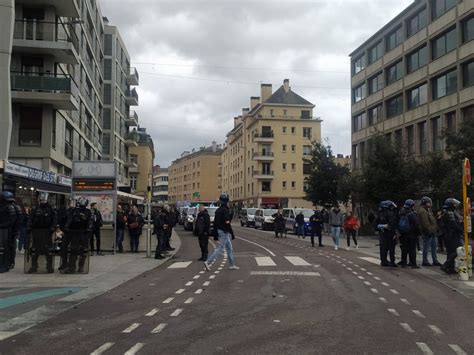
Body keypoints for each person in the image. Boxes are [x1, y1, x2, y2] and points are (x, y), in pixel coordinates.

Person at [204, 193, 239, 271]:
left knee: (229, 248)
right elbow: (227, 222)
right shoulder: (225, 210)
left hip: (220, 230)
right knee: (220, 248)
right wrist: (232, 233)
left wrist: (215, 233)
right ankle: (208, 262)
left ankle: (232, 264)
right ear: (226, 201)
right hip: (224, 231)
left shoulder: (218, 210)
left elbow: (215, 223)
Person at [26, 192, 56, 273]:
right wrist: (28, 227)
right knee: (35, 250)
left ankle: (49, 267)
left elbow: (54, 220)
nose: (43, 201)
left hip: (47, 232)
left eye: (44, 199)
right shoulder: (35, 209)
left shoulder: (51, 209)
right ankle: (34, 266)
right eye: (41, 199)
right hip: (36, 231)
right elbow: (30, 218)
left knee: (48, 250)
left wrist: (53, 228)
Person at [61, 197, 92, 273]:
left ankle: (81, 267)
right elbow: (70, 219)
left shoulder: (88, 212)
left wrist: (88, 228)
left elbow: (90, 221)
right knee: (73, 249)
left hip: (83, 233)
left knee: (83, 250)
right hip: (74, 233)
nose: (80, 204)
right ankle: (71, 267)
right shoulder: (74, 211)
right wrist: (66, 227)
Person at [441, 198, 463, 275]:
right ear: (451, 205)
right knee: (456, 250)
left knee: (450, 252)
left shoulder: (447, 211)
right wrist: (461, 229)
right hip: (452, 234)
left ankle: (450, 268)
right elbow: (453, 224)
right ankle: (446, 265)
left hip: (448, 234)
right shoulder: (450, 212)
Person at [418, 196, 441, 267]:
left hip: (432, 232)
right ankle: (425, 261)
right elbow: (425, 223)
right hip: (428, 232)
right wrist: (430, 231)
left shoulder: (427, 210)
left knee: (434, 247)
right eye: (428, 202)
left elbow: (431, 220)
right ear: (425, 203)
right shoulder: (423, 211)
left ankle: (435, 260)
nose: (430, 203)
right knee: (426, 247)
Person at [398, 199, 420, 268]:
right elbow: (416, 224)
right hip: (412, 234)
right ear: (411, 206)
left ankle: (403, 263)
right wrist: (418, 233)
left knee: (404, 250)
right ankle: (413, 264)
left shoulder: (401, 213)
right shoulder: (412, 214)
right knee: (412, 249)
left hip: (403, 234)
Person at [376, 200, 399, 267]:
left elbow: (376, 224)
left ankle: (383, 261)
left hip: (382, 233)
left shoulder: (379, 214)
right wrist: (394, 233)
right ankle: (392, 262)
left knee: (383, 248)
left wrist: (380, 226)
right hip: (390, 233)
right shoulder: (390, 214)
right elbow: (392, 224)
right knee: (391, 248)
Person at [0, 192, 17, 273]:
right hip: (4, 229)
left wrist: (2, 225)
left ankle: (6, 264)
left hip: (6, 230)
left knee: (6, 248)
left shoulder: (11, 207)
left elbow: (12, 221)